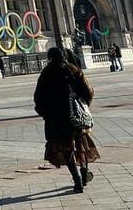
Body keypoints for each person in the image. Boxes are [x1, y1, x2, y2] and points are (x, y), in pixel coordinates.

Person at [34, 47, 100, 193]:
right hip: (75, 115)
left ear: (50, 58)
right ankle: (84, 171)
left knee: (66, 148)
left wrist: (45, 114)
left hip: (57, 118)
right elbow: (88, 91)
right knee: (81, 144)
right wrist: (84, 105)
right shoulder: (73, 69)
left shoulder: (46, 73)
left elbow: (38, 97)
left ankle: (77, 180)